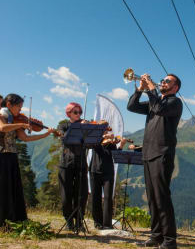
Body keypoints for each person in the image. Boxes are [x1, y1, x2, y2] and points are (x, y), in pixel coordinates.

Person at [127, 73, 182, 249]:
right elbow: (131, 106)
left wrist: (151, 88)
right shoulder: (155, 100)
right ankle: (156, 234)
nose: (163, 82)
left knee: (162, 197)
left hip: (162, 154)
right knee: (152, 198)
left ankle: (169, 240)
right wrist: (140, 89)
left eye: (167, 81)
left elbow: (159, 108)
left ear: (175, 88)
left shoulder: (174, 102)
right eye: (163, 80)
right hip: (148, 154)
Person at [0, 94, 53, 227]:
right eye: (18, 106)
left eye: (21, 107)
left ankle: (13, 219)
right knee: (4, 189)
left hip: (11, 155)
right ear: (9, 105)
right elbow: (2, 128)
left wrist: (44, 134)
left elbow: (25, 138)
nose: (20, 110)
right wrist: (22, 124)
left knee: (13, 189)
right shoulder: (2, 115)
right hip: (2, 155)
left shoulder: (14, 119)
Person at [57, 102, 89, 231]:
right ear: (68, 113)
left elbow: (92, 141)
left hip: (81, 162)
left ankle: (79, 221)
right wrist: (76, 127)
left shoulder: (84, 125)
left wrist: (86, 128)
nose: (78, 115)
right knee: (66, 194)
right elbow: (64, 138)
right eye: (75, 112)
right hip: (66, 163)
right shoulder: (63, 125)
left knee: (81, 194)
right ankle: (69, 220)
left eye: (80, 112)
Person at [89, 133, 127, 230]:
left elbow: (115, 156)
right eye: (105, 132)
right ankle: (97, 222)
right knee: (95, 198)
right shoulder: (96, 141)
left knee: (108, 198)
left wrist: (121, 145)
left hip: (108, 172)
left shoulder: (112, 144)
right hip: (95, 171)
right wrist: (104, 138)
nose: (108, 134)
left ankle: (107, 223)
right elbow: (97, 149)